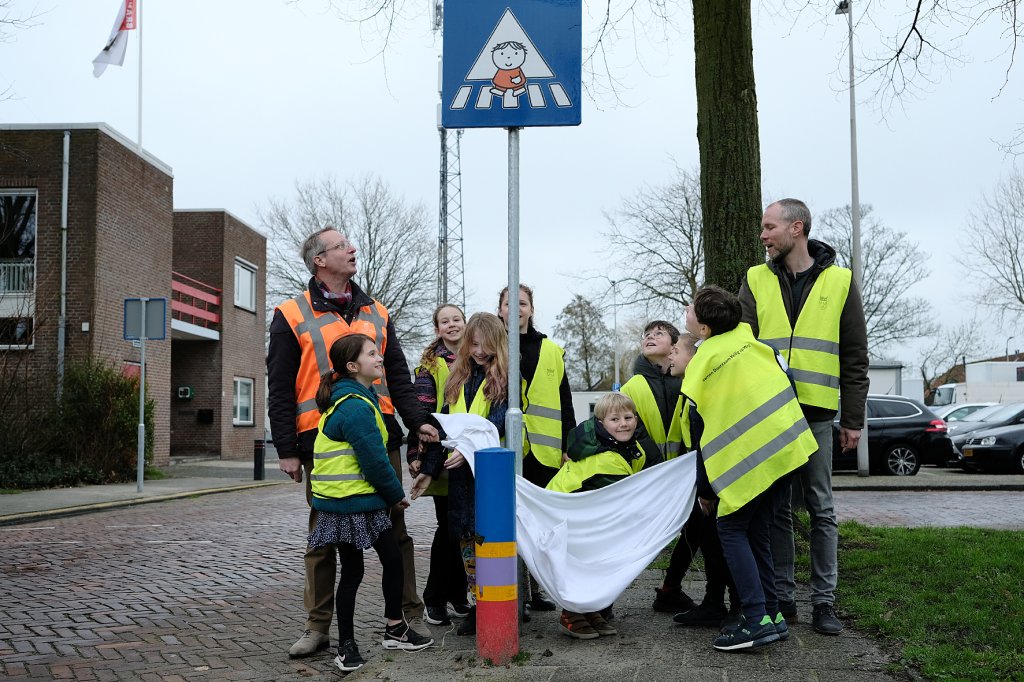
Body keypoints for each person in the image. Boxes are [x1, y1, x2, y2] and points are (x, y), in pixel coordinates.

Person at [267, 227, 435, 658]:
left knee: (394, 530)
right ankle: (318, 626)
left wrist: (417, 422)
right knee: (324, 538)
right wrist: (285, 447)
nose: (352, 249)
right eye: (342, 246)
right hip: (319, 443)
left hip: (379, 433)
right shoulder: (290, 313)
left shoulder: (377, 311)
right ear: (320, 260)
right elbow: (280, 386)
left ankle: (403, 617)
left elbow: (397, 375)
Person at [738, 198, 869, 635]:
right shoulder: (755, 279)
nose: (763, 235)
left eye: (769, 227)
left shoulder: (841, 281)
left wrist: (853, 418)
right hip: (771, 415)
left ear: (797, 228)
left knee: (821, 508)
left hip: (815, 413)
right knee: (777, 511)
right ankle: (784, 598)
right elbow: (741, 345)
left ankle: (824, 603)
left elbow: (854, 356)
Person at [681, 285, 816, 652]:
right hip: (788, 451)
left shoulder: (705, 362)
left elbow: (702, 431)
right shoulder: (759, 346)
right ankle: (772, 615)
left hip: (749, 463)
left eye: (691, 310)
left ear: (705, 329)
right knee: (758, 531)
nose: (687, 313)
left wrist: (706, 489)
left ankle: (755, 619)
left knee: (731, 528)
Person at [309, 334, 433, 673]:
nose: (380, 358)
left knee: (387, 562)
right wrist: (398, 496)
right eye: (372, 354)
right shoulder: (355, 406)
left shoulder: (353, 399)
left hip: (350, 503)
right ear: (353, 366)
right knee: (355, 572)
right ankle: (347, 645)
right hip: (352, 505)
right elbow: (375, 462)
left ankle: (394, 627)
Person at [411, 312, 511, 637]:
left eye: (485, 345)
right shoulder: (457, 378)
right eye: (474, 344)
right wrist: (428, 470)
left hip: (489, 477)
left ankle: (493, 605)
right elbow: (444, 428)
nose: (479, 351)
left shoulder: (505, 379)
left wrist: (466, 450)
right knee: (466, 540)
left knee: (488, 537)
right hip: (458, 479)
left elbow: (496, 424)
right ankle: (476, 600)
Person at [546, 392, 652, 639]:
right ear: (602, 424)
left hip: (588, 516)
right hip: (567, 516)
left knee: (596, 561)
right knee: (581, 564)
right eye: (615, 419)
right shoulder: (606, 459)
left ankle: (590, 610)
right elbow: (616, 499)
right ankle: (571, 614)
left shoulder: (632, 449)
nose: (623, 423)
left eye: (628, 417)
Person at [498, 284, 575, 614]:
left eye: (522, 303)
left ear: (531, 308)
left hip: (544, 453)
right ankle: (511, 593)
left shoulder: (552, 351)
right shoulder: (491, 347)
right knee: (506, 523)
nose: (515, 308)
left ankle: (537, 590)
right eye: (508, 303)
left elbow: (566, 402)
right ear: (499, 309)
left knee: (540, 525)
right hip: (505, 450)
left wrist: (569, 445)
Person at [666, 333, 740, 629]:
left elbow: (706, 444)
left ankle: (737, 606)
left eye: (675, 351)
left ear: (694, 358)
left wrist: (707, 490)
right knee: (710, 543)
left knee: (723, 543)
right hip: (704, 482)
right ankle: (713, 602)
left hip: (717, 482)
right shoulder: (688, 388)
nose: (671, 356)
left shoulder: (702, 390)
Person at [408, 304, 472, 627]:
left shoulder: (476, 356)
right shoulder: (429, 365)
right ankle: (435, 599)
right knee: (448, 529)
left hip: (469, 457)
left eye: (456, 319)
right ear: (437, 329)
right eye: (444, 321)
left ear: (465, 322)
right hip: (441, 457)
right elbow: (422, 415)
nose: (451, 325)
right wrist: (417, 457)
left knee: (462, 529)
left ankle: (458, 596)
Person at [618, 320, 688, 613]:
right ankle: (605, 598)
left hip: (685, 473)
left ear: (675, 346)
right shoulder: (632, 385)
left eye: (658, 334)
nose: (649, 337)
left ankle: (670, 588)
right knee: (634, 540)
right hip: (647, 476)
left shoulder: (687, 380)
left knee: (694, 532)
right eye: (646, 334)